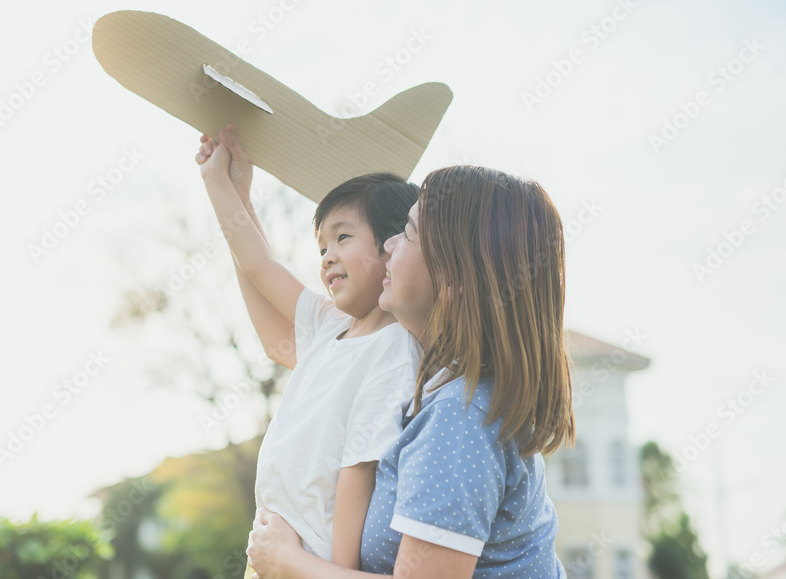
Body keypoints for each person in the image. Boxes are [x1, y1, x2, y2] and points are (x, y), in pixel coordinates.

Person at [246, 164, 577, 578]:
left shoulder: (460, 418)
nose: (389, 244)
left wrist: (286, 562)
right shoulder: (440, 394)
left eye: (408, 233)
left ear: (452, 277)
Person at [194, 124, 423, 574]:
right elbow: (258, 264)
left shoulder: (394, 350)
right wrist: (228, 188)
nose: (326, 256)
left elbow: (357, 471)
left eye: (342, 237)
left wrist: (335, 570)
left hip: (309, 558)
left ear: (393, 246)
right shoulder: (329, 326)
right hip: (271, 544)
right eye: (321, 246)